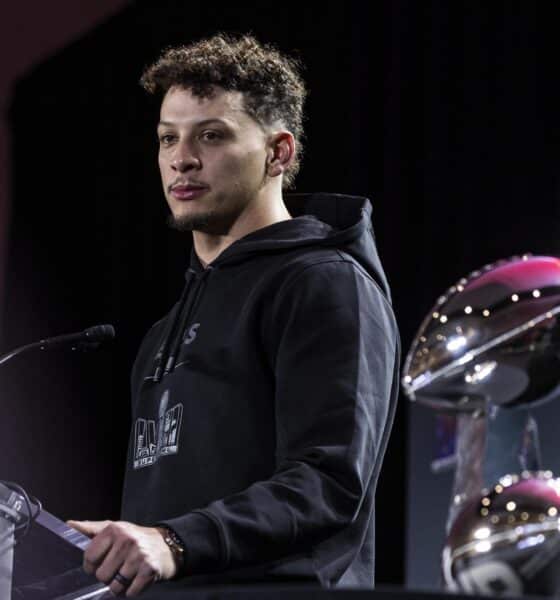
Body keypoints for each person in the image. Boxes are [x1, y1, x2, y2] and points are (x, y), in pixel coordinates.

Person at [68, 33, 400, 597]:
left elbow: (328, 483)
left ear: (279, 153)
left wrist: (173, 542)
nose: (182, 158)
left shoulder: (323, 284)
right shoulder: (161, 335)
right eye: (167, 138)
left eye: (212, 135)